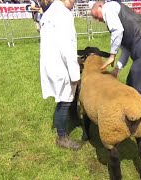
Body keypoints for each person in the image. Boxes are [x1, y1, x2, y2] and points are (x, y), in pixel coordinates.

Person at [90, 1, 141, 150]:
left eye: (95, 16)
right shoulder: (115, 12)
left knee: (140, 92)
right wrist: (117, 69)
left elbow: (117, 31)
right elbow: (126, 49)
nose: (97, 19)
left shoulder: (108, 7)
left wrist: (111, 56)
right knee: (131, 86)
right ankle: (132, 122)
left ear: (99, 6)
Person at [39, 0, 81, 150]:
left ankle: (73, 120)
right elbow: (67, 46)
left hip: (50, 62)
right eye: (74, 0)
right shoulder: (64, 14)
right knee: (64, 101)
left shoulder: (47, 13)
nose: (75, 3)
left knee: (64, 99)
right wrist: (75, 72)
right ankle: (62, 137)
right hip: (60, 64)